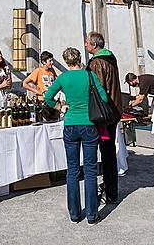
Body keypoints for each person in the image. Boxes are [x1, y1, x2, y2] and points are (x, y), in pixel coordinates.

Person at [45, 47, 107, 225]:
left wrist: (61, 106)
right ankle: (92, 214)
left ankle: (74, 213)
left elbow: (48, 97)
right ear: (80, 58)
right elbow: (103, 98)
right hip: (89, 124)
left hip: (70, 124)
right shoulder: (89, 76)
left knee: (72, 170)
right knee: (90, 170)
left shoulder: (63, 77)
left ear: (65, 61)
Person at [85, 32, 122, 204]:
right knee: (108, 152)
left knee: (106, 153)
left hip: (103, 114)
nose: (85, 45)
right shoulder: (110, 59)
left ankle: (111, 192)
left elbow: (97, 91)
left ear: (94, 45)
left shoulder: (97, 63)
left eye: (87, 43)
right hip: (113, 111)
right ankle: (110, 186)